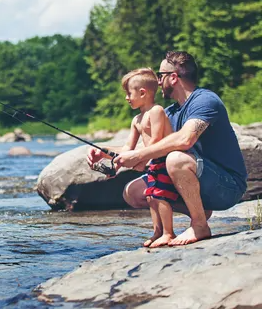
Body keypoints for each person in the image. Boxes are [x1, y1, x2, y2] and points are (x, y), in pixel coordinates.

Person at [87, 51, 248, 246]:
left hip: (227, 185)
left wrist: (140, 156)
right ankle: (197, 210)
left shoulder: (205, 100)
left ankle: (199, 225)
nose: (157, 81)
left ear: (173, 77)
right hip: (200, 179)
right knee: (133, 191)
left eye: (160, 75)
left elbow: (185, 139)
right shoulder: (170, 112)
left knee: (175, 159)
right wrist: (104, 152)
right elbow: (148, 147)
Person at [119, 68, 178, 248]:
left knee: (160, 196)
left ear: (143, 93)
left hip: (164, 160)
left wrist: (143, 160)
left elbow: (156, 138)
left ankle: (169, 233)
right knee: (151, 197)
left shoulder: (156, 111)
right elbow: (128, 147)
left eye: (129, 93)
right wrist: (116, 163)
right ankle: (157, 232)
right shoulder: (136, 120)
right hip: (152, 161)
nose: (127, 98)